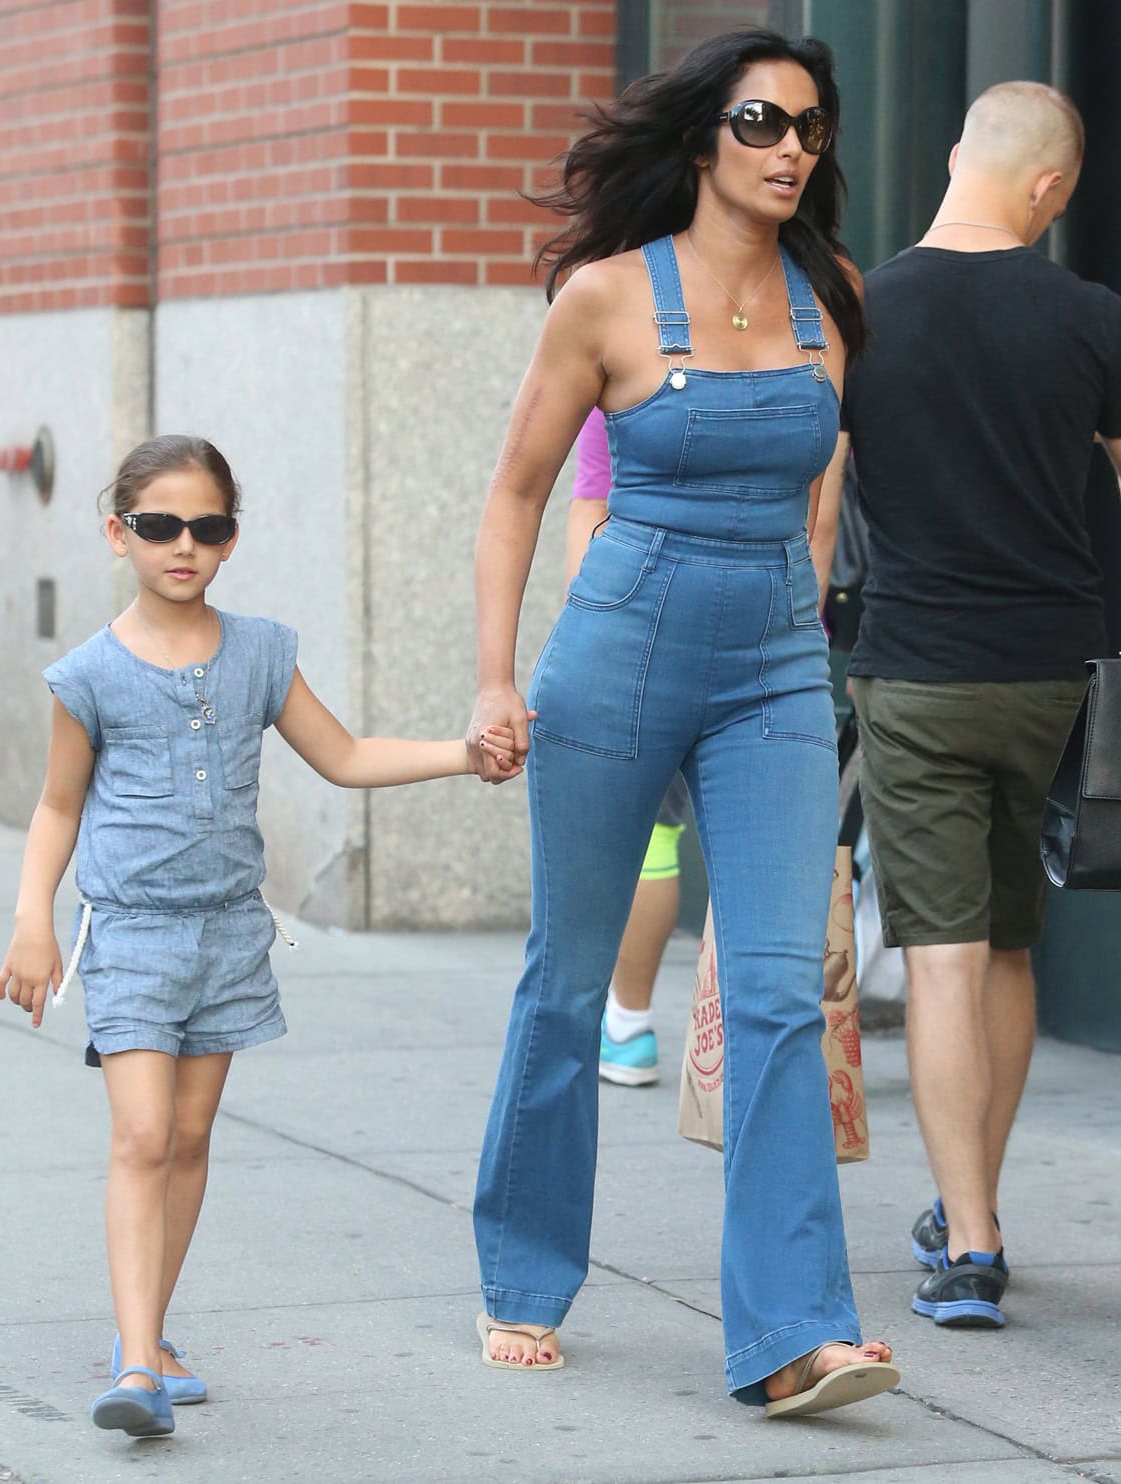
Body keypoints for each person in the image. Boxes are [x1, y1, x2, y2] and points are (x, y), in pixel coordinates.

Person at [463, 28, 898, 1415]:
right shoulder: (601, 299)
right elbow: (518, 493)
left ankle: (792, 1335)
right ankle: (525, 1272)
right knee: (567, 978)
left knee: (775, 992)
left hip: (775, 664)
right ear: (706, 136)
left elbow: (823, 485)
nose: (790, 150)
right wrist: (492, 676)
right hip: (623, 651)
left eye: (811, 131)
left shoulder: (833, 295)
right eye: (764, 122)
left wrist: (808, 608)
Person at [0, 435, 521, 1439]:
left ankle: (146, 1331)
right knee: (142, 1134)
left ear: (231, 538)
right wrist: (33, 920)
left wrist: (465, 754)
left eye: (208, 526)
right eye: (159, 526)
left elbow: (347, 754)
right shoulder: (88, 674)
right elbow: (57, 808)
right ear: (120, 533)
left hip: (230, 934)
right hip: (136, 936)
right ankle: (140, 1360)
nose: (182, 545)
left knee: (189, 1139)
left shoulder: (261, 653)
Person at [842, 82, 1121, 1329]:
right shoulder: (1091, 318)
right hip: (1049, 674)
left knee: (943, 954)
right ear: (1052, 189)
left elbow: (817, 499)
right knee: (1009, 943)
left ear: (959, 153)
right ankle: (977, 1206)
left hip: (913, 668)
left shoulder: (860, 313)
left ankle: (968, 1240)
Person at [567, 407, 691, 1087]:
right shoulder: (789, 341)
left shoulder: (614, 378)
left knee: (655, 840)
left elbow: (592, 508)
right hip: (779, 625)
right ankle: (750, 1041)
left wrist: (587, 641)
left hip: (646, 633)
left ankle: (630, 1024)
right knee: (754, 853)